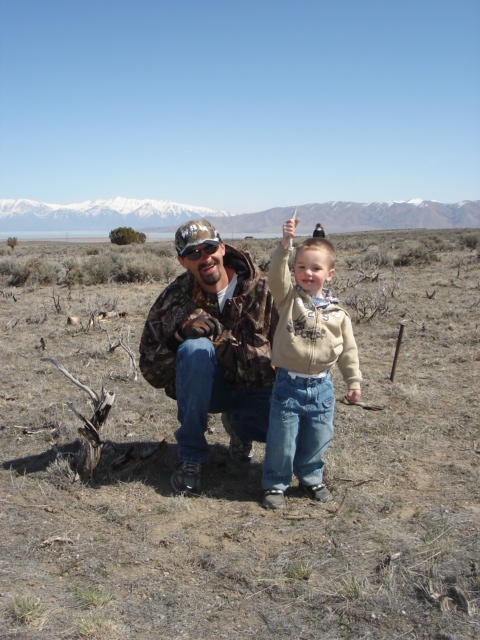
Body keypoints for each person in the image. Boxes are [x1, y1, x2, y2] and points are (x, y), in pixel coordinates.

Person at [139, 219, 278, 495]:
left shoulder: (264, 288)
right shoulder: (174, 299)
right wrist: (179, 337)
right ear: (182, 261)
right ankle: (190, 459)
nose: (205, 257)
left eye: (210, 247)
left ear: (223, 247)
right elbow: (150, 367)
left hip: (259, 391)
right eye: (193, 253)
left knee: (295, 433)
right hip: (211, 392)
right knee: (194, 349)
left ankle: (240, 428)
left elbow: (289, 351)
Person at [261, 217, 362, 509]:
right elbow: (275, 276)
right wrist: (285, 245)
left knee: (319, 435)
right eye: (301, 267)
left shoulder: (339, 314)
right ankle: (275, 484)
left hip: (323, 388)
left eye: (316, 268)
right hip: (288, 385)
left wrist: (353, 381)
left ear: (329, 274)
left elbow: (348, 351)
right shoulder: (288, 299)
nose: (308, 273)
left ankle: (310, 477)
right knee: (282, 438)